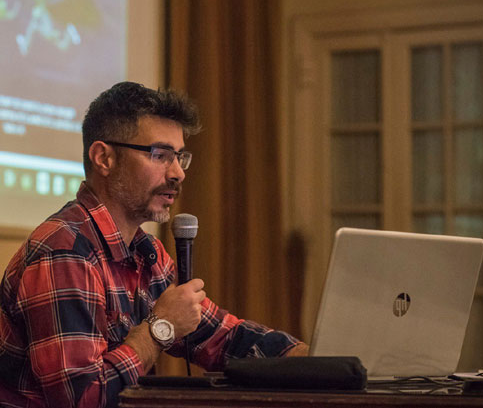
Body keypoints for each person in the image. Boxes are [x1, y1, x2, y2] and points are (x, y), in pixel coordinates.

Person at [0, 81, 307, 408]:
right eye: (160, 155)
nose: (178, 173)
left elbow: (222, 337)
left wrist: (313, 358)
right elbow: (84, 400)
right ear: (104, 158)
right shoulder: (65, 250)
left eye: (180, 157)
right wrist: (161, 328)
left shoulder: (145, 252)